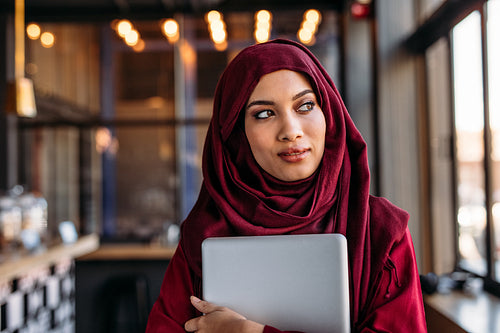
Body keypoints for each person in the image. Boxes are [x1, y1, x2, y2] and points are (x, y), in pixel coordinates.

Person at [145, 39, 427, 332]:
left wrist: (248, 331)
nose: (291, 131)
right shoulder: (203, 234)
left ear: (329, 114)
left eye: (305, 106)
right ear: (236, 135)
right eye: (264, 113)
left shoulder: (381, 230)